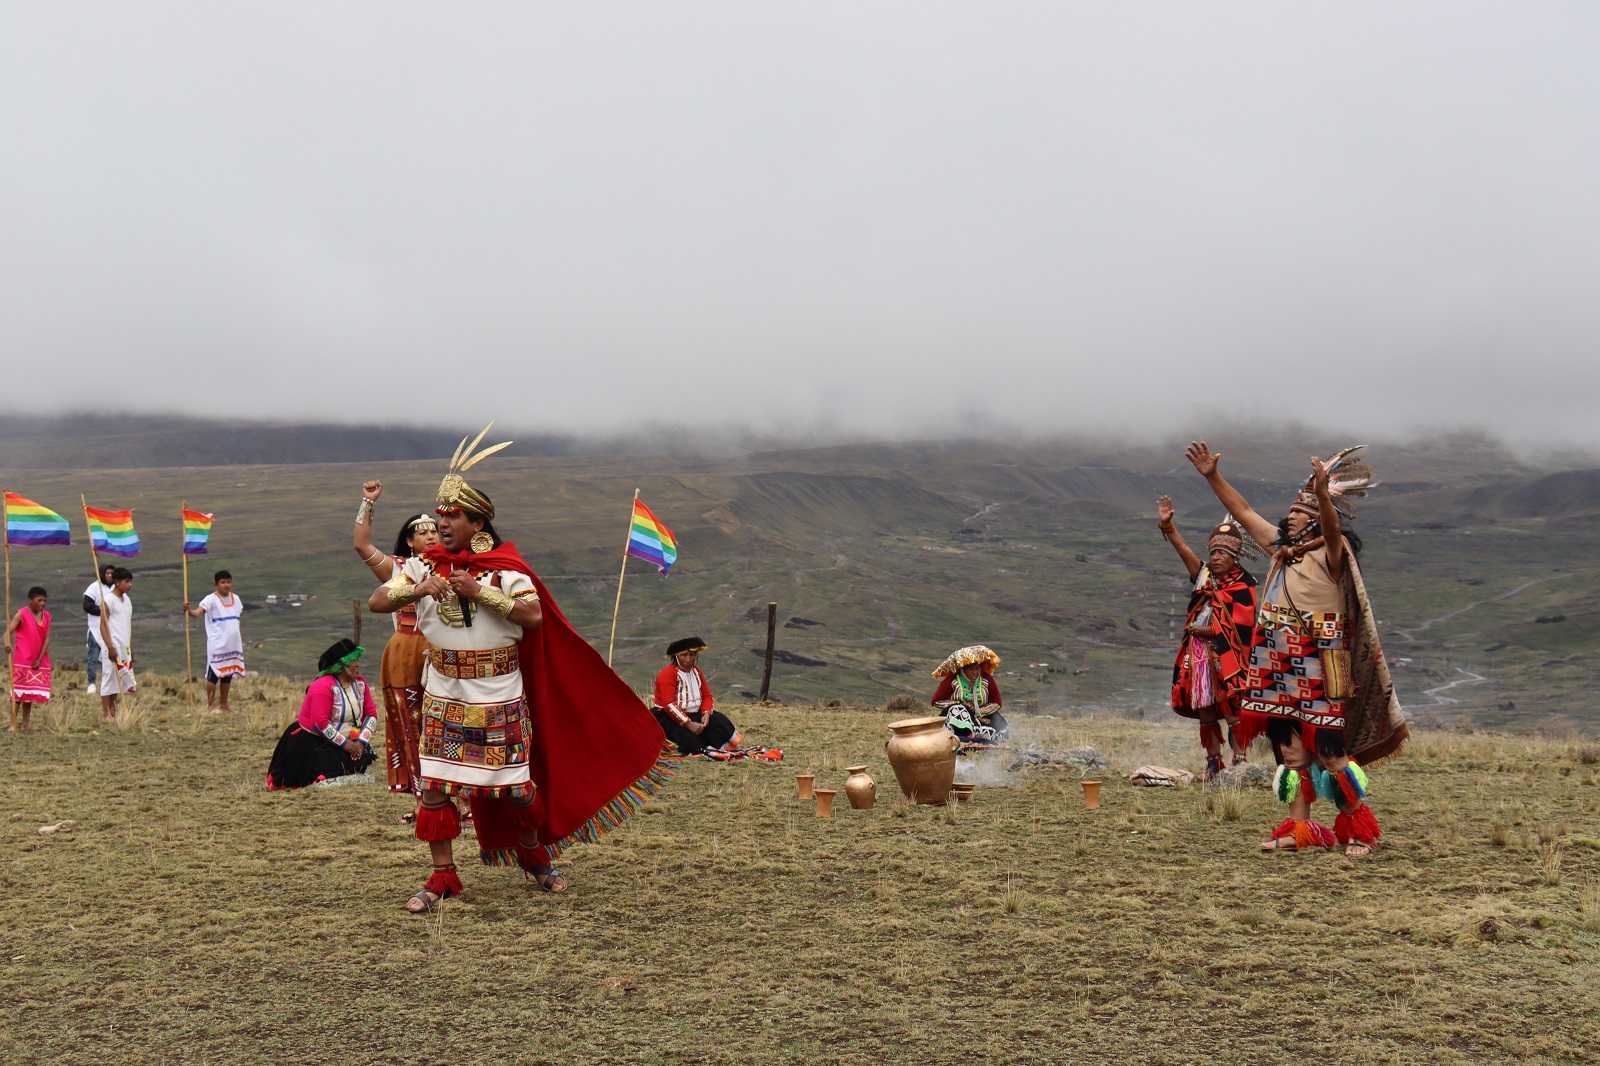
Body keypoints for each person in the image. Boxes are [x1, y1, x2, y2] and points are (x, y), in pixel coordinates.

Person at [369, 425, 671, 913]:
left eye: (454, 517)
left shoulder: (506, 570)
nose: (443, 524)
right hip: (443, 690)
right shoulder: (422, 567)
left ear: (478, 524)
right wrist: (415, 590)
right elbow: (378, 600)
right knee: (435, 790)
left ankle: (534, 854)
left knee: (515, 788)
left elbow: (531, 616)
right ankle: (443, 876)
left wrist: (479, 593)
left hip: (497, 693)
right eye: (440, 517)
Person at [1186, 441, 1407, 856]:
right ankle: (1301, 829)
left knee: (1330, 752)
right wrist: (1212, 477)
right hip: (1275, 660)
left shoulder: (1332, 554)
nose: (1291, 516)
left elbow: (1331, 525)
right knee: (1290, 752)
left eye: (1301, 513)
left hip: (1320, 661)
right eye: (1294, 512)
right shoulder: (1281, 553)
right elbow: (1246, 513)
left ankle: (1357, 830)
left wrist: (1323, 495)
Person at [1157, 496, 1259, 780]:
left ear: (1234, 558)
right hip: (1199, 655)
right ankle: (1213, 763)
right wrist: (1169, 527)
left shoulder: (1243, 586)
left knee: (1233, 708)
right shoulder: (1203, 577)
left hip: (1229, 657)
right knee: (1205, 707)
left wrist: (1209, 631)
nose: (1215, 558)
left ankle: (1240, 762)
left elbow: (1243, 627)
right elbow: (1183, 550)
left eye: (1221, 554)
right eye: (1213, 553)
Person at [352, 481, 439, 798]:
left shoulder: (454, 565)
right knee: (410, 721)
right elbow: (362, 545)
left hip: (444, 650)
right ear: (409, 540)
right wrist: (368, 502)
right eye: (422, 532)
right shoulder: (399, 569)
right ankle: (423, 799)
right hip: (406, 653)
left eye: (435, 531)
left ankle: (458, 797)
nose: (431, 536)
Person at [266, 639, 378, 790]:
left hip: (350, 738)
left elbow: (371, 714)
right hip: (314, 741)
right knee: (326, 769)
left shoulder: (360, 683)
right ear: (341, 666)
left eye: (357, 660)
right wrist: (348, 745)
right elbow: (321, 723)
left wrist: (361, 742)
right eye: (352, 661)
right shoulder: (322, 686)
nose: (358, 664)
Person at [651, 638, 742, 755]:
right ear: (676, 656)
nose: (688, 659)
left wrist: (706, 714)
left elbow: (707, 696)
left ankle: (722, 747)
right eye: (684, 655)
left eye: (692, 654)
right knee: (691, 742)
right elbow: (669, 705)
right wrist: (688, 724)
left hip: (695, 714)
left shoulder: (697, 672)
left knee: (719, 722)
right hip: (669, 717)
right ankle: (702, 749)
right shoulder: (667, 674)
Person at [184, 570, 246, 712]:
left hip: (233, 644)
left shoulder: (236, 598)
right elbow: (197, 613)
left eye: (228, 582)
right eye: (223, 582)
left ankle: (224, 704)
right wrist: (189, 611)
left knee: (228, 675)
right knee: (213, 675)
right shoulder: (210, 599)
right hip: (217, 644)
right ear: (216, 584)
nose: (226, 585)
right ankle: (210, 706)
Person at [931, 645, 1007, 745]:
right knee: (958, 710)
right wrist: (959, 704)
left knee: (998, 721)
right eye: (971, 670)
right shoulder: (953, 680)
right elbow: (936, 701)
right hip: (958, 718)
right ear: (963, 669)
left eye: (977, 669)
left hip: (982, 716)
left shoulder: (987, 679)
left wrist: (978, 712)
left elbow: (997, 702)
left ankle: (984, 739)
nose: (975, 673)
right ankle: (964, 737)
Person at [93, 567, 136, 720]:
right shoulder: (108, 600)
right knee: (108, 678)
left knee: (118, 682)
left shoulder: (127, 600)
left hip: (124, 646)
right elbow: (103, 625)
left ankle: (113, 711)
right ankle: (106, 714)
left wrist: (130, 648)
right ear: (117, 582)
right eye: (127, 581)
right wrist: (110, 647)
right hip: (112, 646)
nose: (130, 585)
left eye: (131, 581)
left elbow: (127, 624)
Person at [6, 586, 52, 731]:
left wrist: (39, 658)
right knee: (18, 693)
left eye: (44, 601)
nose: (42, 603)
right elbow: (7, 633)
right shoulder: (21, 614)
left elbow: (47, 638)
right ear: (31, 600)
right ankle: (13, 723)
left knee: (29, 693)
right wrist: (7, 645)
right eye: (39, 600)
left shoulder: (47, 616)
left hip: (39, 659)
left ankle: (26, 724)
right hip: (22, 658)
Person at [81, 563, 114, 693]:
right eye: (107, 573)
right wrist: (101, 611)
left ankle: (109, 683)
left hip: (111, 629)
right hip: (95, 628)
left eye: (112, 573)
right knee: (92, 657)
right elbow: (87, 605)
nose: (110, 575)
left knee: (110, 657)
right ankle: (91, 684)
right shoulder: (94, 587)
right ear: (102, 574)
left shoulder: (115, 589)